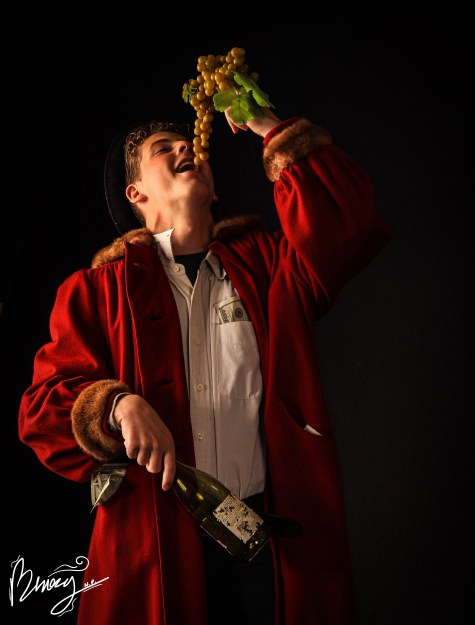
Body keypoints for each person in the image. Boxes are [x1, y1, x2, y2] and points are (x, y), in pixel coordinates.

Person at [18, 98, 393, 625]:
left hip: (271, 548)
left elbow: (350, 222)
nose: (185, 148)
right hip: (154, 549)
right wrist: (117, 406)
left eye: (188, 144)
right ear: (136, 193)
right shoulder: (95, 291)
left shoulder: (270, 264)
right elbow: (39, 414)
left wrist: (272, 128)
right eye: (163, 148)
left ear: (214, 190)